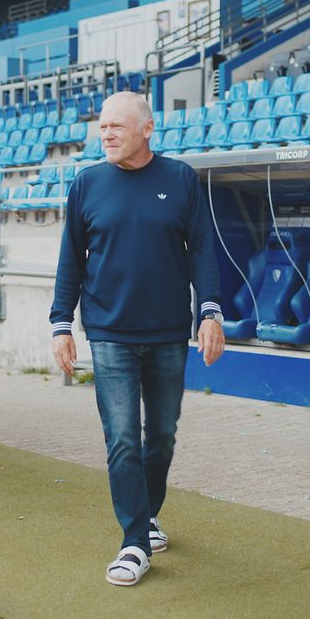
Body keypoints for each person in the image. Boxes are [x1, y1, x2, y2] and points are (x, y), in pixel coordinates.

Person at [50, 91, 225, 586]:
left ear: (147, 129)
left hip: (168, 331)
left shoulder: (180, 179)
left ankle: (147, 515)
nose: (106, 135)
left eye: (117, 127)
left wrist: (210, 312)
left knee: (162, 435)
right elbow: (70, 260)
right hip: (109, 332)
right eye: (102, 127)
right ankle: (134, 543)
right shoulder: (87, 183)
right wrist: (61, 324)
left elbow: (202, 251)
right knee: (123, 438)